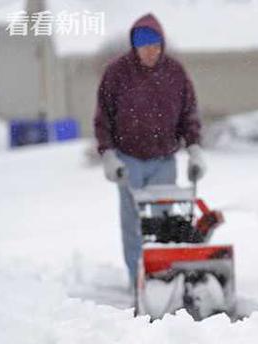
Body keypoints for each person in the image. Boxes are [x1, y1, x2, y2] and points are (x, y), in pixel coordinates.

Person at [94, 14, 205, 287]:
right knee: (133, 223)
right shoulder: (117, 73)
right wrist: (108, 155)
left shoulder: (175, 73)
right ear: (134, 46)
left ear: (162, 45)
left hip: (164, 159)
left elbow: (188, 114)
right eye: (144, 46)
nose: (150, 51)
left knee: (164, 221)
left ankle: (165, 276)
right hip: (128, 160)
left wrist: (194, 149)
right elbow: (103, 118)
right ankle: (138, 279)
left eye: (155, 46)